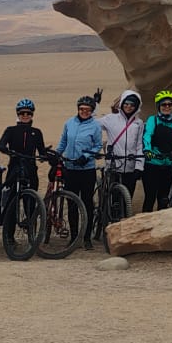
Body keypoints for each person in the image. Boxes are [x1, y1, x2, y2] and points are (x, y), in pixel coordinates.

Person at [55, 96, 104, 238]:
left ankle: (87, 237)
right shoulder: (69, 123)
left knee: (87, 203)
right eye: (82, 109)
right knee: (72, 204)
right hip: (70, 168)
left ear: (92, 111)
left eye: (88, 110)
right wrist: (56, 155)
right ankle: (74, 236)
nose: (84, 112)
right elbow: (63, 142)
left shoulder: (95, 126)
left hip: (87, 169)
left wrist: (86, 157)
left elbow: (98, 145)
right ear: (78, 109)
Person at [97, 90, 145, 208]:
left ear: (137, 106)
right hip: (114, 166)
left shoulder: (139, 123)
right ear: (122, 103)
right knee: (115, 201)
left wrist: (139, 167)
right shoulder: (110, 119)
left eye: (132, 104)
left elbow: (139, 146)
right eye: (126, 103)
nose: (129, 107)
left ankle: (124, 220)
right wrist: (96, 104)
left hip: (130, 167)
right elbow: (92, 123)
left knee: (127, 200)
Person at [0, 98, 52, 191]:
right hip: (14, 166)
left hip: (31, 168)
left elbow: (41, 150)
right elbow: (1, 145)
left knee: (31, 200)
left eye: (29, 113)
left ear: (32, 114)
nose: (25, 115)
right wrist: (6, 150)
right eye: (22, 113)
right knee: (11, 198)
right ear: (18, 114)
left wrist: (44, 155)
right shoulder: (11, 130)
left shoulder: (37, 132)